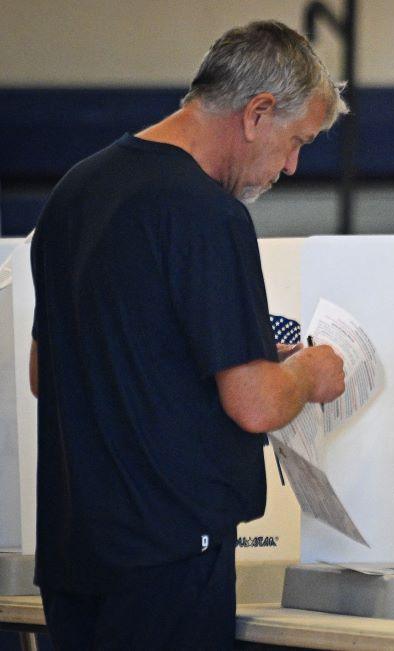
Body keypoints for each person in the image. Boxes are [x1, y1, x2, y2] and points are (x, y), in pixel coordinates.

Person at [28, 20, 347, 650]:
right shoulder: (208, 214)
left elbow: (50, 372)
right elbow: (254, 403)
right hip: (170, 555)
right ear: (257, 112)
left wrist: (242, 359)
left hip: (74, 554)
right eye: (295, 141)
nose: (290, 165)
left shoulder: (75, 190)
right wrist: (307, 374)